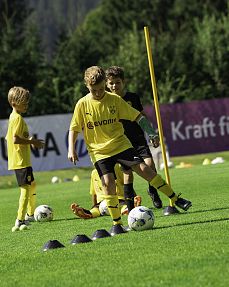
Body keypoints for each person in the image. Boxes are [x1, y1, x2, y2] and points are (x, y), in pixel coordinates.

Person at [68, 66, 191, 234]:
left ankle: (176, 199)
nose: (97, 93)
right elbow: (74, 129)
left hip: (120, 144)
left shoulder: (115, 100)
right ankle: (117, 224)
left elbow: (138, 117)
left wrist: (151, 132)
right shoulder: (82, 104)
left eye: (100, 89)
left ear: (105, 83)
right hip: (99, 152)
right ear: (86, 86)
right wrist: (71, 149)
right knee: (108, 183)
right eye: (93, 90)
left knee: (144, 169)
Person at [105, 66, 164, 212]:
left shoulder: (133, 98)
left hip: (138, 138)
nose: (114, 86)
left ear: (123, 82)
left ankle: (153, 190)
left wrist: (151, 133)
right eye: (111, 83)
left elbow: (142, 116)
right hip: (122, 143)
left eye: (117, 82)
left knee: (150, 165)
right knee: (128, 174)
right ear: (106, 84)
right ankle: (130, 207)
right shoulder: (107, 102)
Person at [5, 87, 44, 232]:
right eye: (24, 103)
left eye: (27, 102)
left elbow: (12, 138)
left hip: (22, 160)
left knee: (32, 184)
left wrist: (28, 140)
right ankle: (20, 220)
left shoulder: (13, 116)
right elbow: (15, 139)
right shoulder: (18, 118)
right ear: (14, 103)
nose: (27, 105)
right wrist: (32, 142)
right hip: (20, 161)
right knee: (25, 189)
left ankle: (30, 214)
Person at [71, 164, 142, 219]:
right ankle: (87, 213)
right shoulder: (94, 173)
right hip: (104, 203)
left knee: (120, 206)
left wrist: (133, 198)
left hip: (115, 199)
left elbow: (127, 185)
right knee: (97, 209)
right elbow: (94, 193)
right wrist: (94, 206)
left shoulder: (117, 168)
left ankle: (128, 209)